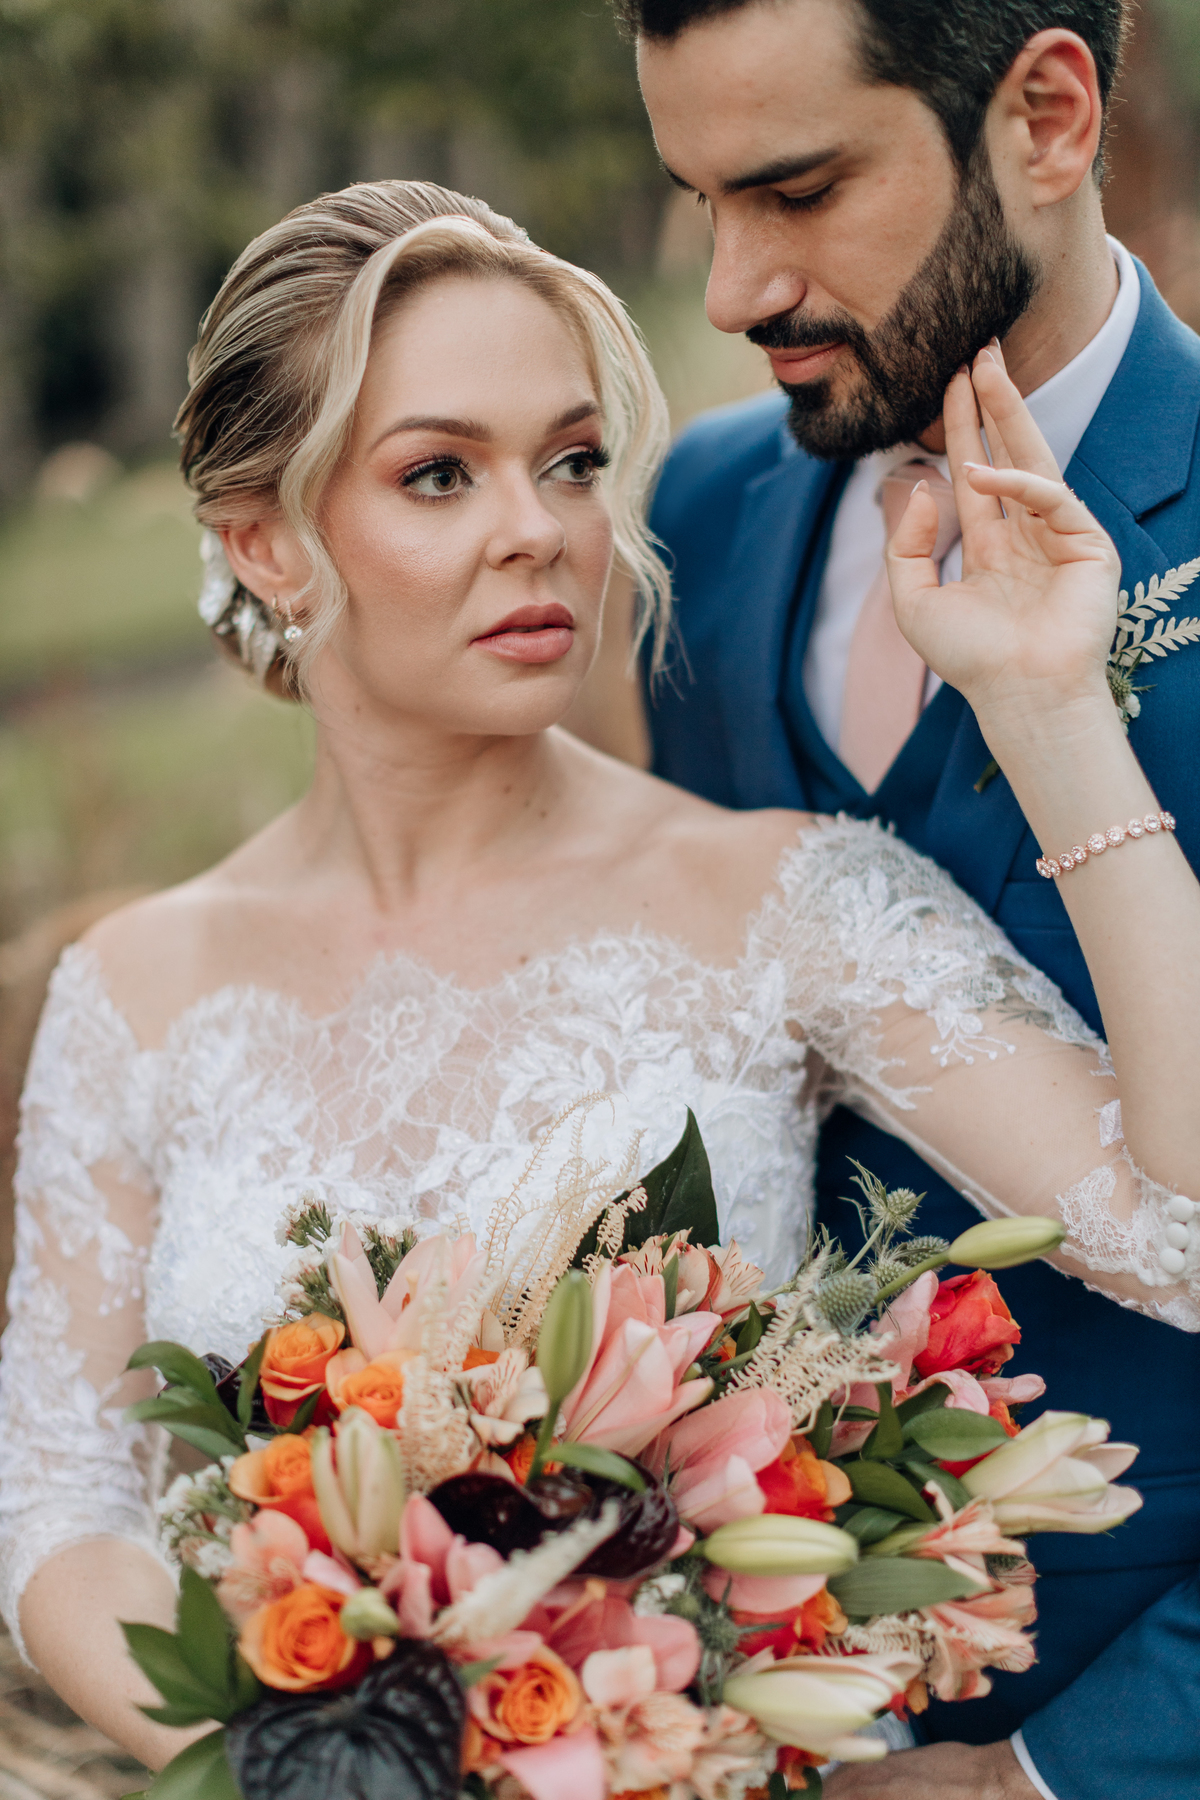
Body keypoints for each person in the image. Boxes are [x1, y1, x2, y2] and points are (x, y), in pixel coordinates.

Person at [1, 180, 1198, 1780]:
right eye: (440, 473)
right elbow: (60, 1504)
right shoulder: (131, 988)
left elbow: (1183, 1231)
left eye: (571, 462)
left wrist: (1050, 710)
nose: (540, 529)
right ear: (263, 539)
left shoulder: (782, 899)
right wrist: (309, 1760)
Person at [620, 2, 1200, 1795]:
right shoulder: (709, 517)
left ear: (1043, 116)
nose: (733, 289)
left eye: (796, 190)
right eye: (701, 200)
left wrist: (1053, 1777)